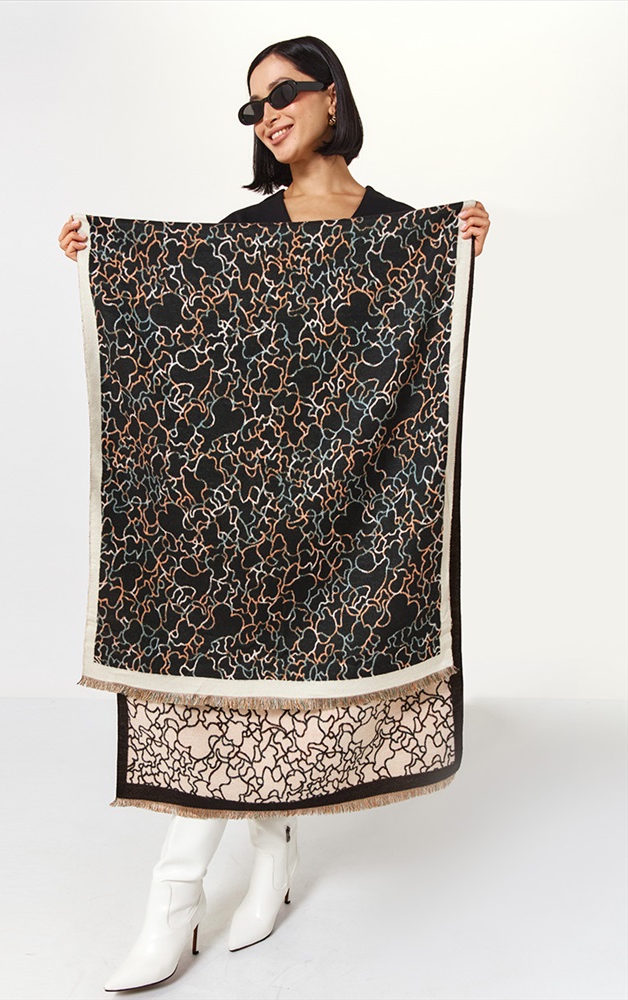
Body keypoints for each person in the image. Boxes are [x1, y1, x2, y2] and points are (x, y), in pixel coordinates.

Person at [58, 34, 491, 993]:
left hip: (343, 515)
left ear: (332, 95)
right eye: (253, 106)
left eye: (284, 92)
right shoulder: (243, 234)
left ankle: (265, 858)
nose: (268, 115)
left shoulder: (399, 234)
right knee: (224, 677)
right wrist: (105, 258)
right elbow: (188, 337)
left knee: (286, 674)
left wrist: (460, 243)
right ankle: (180, 897)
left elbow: (426, 330)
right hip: (246, 523)